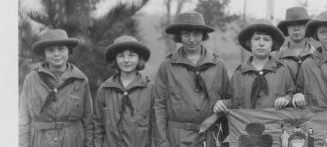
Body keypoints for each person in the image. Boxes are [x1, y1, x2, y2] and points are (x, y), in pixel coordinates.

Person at [153, 12, 232, 147]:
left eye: (196, 34)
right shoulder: (167, 66)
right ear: (179, 36)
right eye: (186, 34)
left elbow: (231, 100)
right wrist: (163, 142)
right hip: (177, 137)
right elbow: (159, 107)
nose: (191, 39)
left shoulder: (218, 64)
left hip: (210, 136)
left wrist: (224, 103)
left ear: (203, 35)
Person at [19, 29, 94, 147]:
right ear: (44, 53)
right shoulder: (31, 79)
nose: (56, 54)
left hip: (72, 141)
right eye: (50, 50)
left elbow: (88, 119)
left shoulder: (80, 80)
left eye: (61, 49)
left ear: (68, 51)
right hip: (40, 141)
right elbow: (24, 119)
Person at [94, 35, 155, 147]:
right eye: (121, 56)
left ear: (139, 58)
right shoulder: (104, 89)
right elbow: (98, 126)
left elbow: (156, 127)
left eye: (131, 55)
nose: (126, 60)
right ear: (115, 60)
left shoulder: (151, 89)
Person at [230, 20, 297, 109]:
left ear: (272, 44)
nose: (261, 44)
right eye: (256, 39)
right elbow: (230, 100)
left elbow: (292, 95)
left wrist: (287, 99)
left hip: (274, 121)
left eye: (266, 39)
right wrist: (222, 104)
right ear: (249, 43)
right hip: (246, 121)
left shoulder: (282, 71)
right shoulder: (239, 73)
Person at [275, 7, 317, 82]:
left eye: (300, 24)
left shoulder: (317, 56)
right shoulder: (277, 57)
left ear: (306, 27)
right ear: (287, 28)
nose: (296, 28)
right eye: (291, 24)